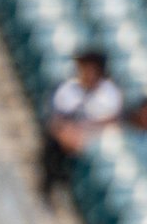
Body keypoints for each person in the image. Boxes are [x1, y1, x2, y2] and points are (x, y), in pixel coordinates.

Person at [42, 49, 124, 199]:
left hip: (96, 137)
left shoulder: (110, 94)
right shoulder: (69, 87)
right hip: (69, 133)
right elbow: (59, 115)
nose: (87, 74)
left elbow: (110, 121)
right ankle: (52, 182)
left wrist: (83, 129)